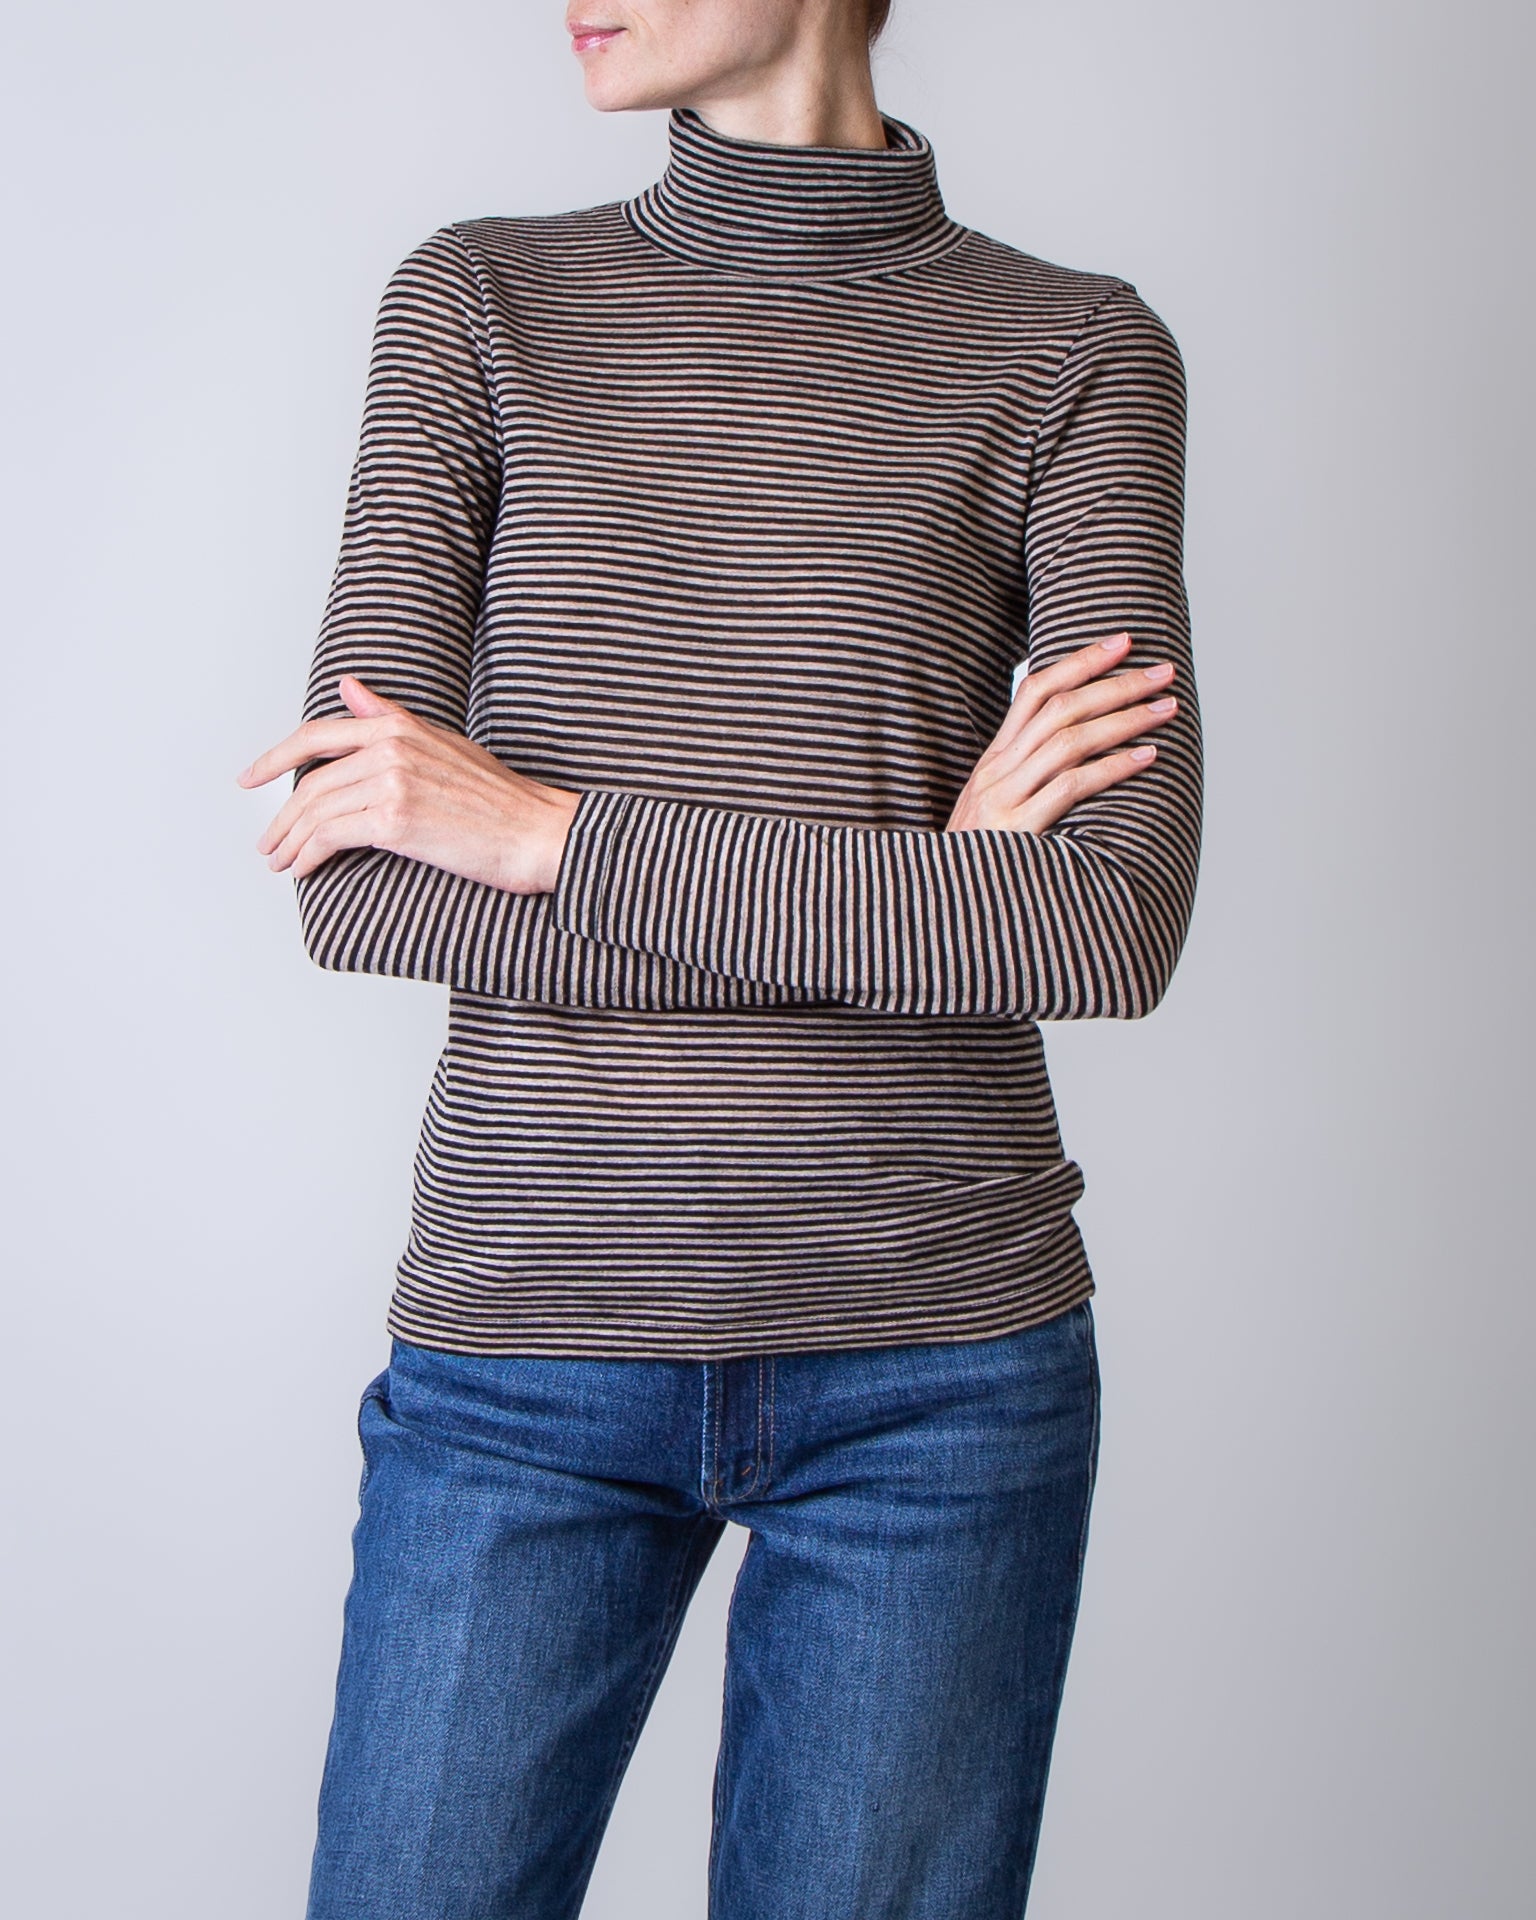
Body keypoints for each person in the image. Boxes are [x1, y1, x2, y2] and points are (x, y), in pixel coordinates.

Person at [237, 2, 1203, 1913]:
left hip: (942, 1363)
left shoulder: (1076, 349)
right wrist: (926, 891)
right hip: (528, 1345)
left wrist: (541, 838)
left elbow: (1107, 919)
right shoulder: (480, 306)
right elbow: (359, 885)